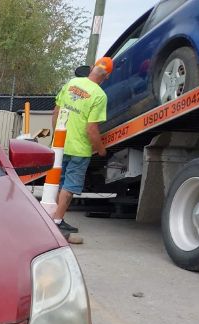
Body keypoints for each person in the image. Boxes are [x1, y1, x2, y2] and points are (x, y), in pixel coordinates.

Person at [50, 57, 112, 241]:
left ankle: (54, 218)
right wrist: (101, 150)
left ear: (92, 68)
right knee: (69, 188)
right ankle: (56, 224)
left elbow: (56, 111)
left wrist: (57, 136)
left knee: (58, 184)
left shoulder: (72, 82)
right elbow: (91, 128)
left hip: (61, 145)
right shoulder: (99, 95)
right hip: (79, 150)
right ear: (107, 76)